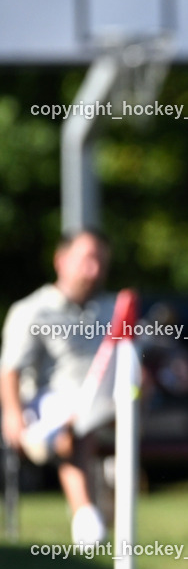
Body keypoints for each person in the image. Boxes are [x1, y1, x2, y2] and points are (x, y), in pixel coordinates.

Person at [0, 229, 113, 545]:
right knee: (74, 423)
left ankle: (93, 513)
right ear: (60, 261)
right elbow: (10, 369)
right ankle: (85, 515)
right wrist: (12, 416)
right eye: (87, 260)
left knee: (94, 415)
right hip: (46, 414)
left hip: (100, 406)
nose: (95, 271)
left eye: (101, 263)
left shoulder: (111, 308)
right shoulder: (31, 311)